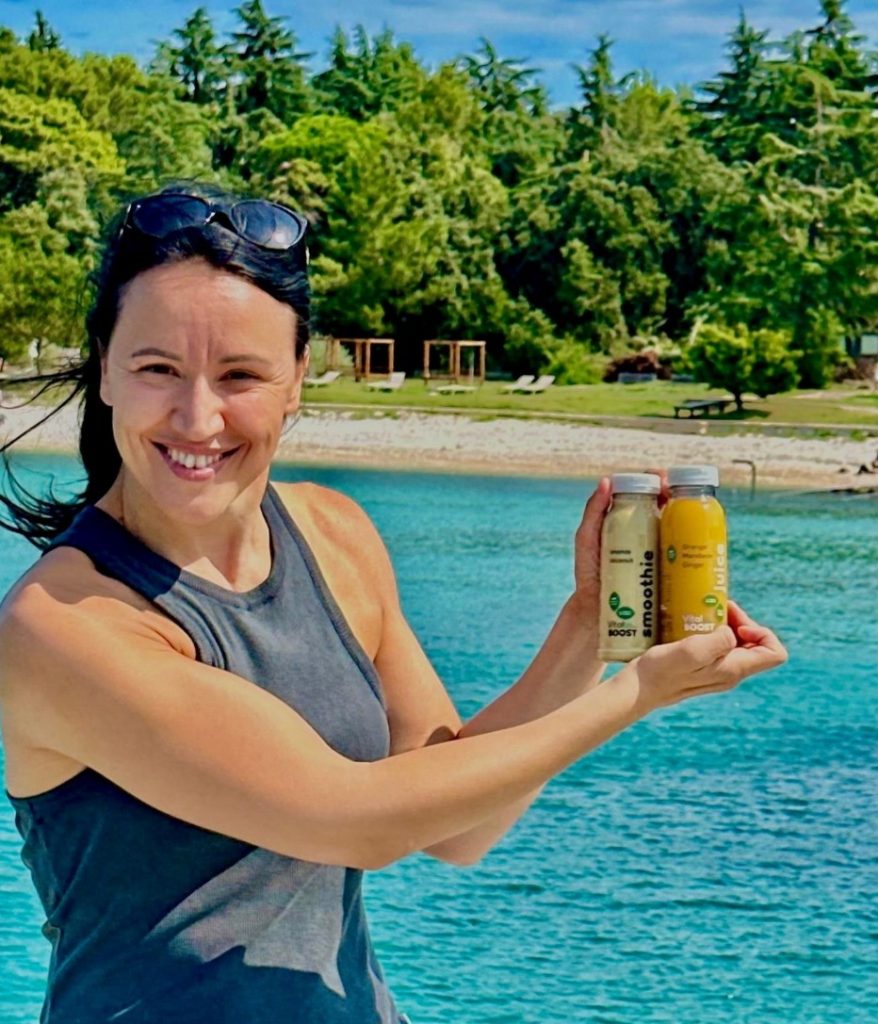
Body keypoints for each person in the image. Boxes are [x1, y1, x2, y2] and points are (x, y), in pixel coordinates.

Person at [0, 184, 787, 1024]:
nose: (198, 417)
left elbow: (459, 827)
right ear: (106, 368)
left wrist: (591, 625)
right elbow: (356, 822)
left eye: (240, 375)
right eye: (158, 369)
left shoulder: (333, 535)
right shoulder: (60, 626)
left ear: (298, 380)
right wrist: (638, 691)